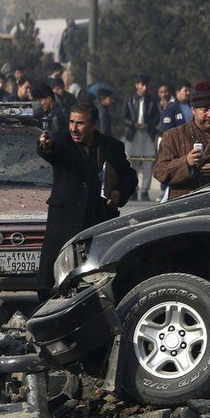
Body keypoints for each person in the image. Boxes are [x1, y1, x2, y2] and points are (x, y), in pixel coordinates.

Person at [36, 102, 137, 300]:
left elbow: (130, 176)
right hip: (64, 219)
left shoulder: (111, 147)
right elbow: (49, 149)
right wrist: (45, 145)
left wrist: (118, 193)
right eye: (72, 122)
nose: (74, 128)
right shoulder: (62, 141)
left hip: (97, 219)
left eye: (80, 123)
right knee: (52, 276)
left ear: (94, 125)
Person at [122, 75, 161, 201]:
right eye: (142, 85)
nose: (144, 88)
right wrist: (133, 124)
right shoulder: (129, 99)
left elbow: (156, 117)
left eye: (146, 85)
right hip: (133, 134)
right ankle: (133, 189)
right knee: (131, 162)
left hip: (147, 133)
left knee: (148, 162)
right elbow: (123, 116)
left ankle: (144, 190)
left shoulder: (152, 101)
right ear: (136, 85)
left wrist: (148, 124)